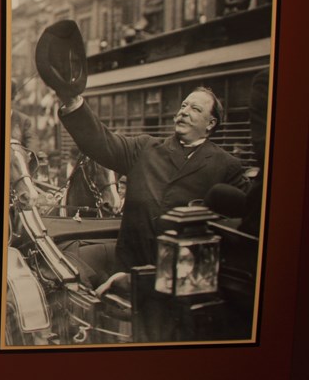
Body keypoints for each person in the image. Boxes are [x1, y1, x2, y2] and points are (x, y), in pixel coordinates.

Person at [35, 20, 250, 281]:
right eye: (183, 105)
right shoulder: (145, 148)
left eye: (195, 109)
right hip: (128, 276)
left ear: (211, 123)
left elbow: (241, 229)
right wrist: (70, 98)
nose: (184, 111)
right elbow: (100, 141)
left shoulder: (226, 167)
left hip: (183, 284)